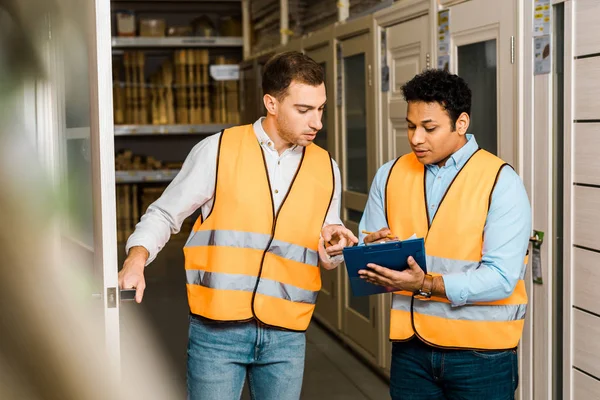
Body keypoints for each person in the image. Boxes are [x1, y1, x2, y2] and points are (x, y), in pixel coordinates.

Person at [118, 51, 358, 400]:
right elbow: (164, 214)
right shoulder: (218, 150)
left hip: (287, 335)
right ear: (271, 104)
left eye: (321, 109)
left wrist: (334, 246)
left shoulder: (326, 166)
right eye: (304, 110)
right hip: (217, 333)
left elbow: (326, 243)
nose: (317, 122)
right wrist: (135, 260)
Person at [357, 69, 531, 400]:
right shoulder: (389, 175)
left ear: (461, 123)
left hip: (482, 356)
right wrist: (370, 250)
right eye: (410, 126)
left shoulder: (500, 181)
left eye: (429, 128)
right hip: (411, 352)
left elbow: (502, 277)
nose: (416, 138)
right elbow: (367, 252)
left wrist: (426, 284)